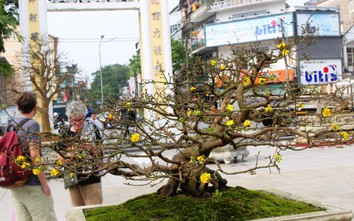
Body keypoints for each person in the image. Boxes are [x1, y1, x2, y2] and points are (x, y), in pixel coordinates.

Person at [7, 92, 57, 221]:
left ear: (18, 107)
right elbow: (34, 155)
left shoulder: (10, 125)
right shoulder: (32, 125)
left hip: (16, 183)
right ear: (35, 107)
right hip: (33, 184)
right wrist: (44, 183)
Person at [57, 101, 104, 206]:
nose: (77, 123)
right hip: (73, 179)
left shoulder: (92, 130)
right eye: (74, 120)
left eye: (80, 120)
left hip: (91, 178)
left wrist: (92, 148)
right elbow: (60, 158)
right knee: (78, 212)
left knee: (94, 211)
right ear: (69, 119)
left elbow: (101, 153)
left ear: (84, 117)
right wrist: (71, 155)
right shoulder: (65, 133)